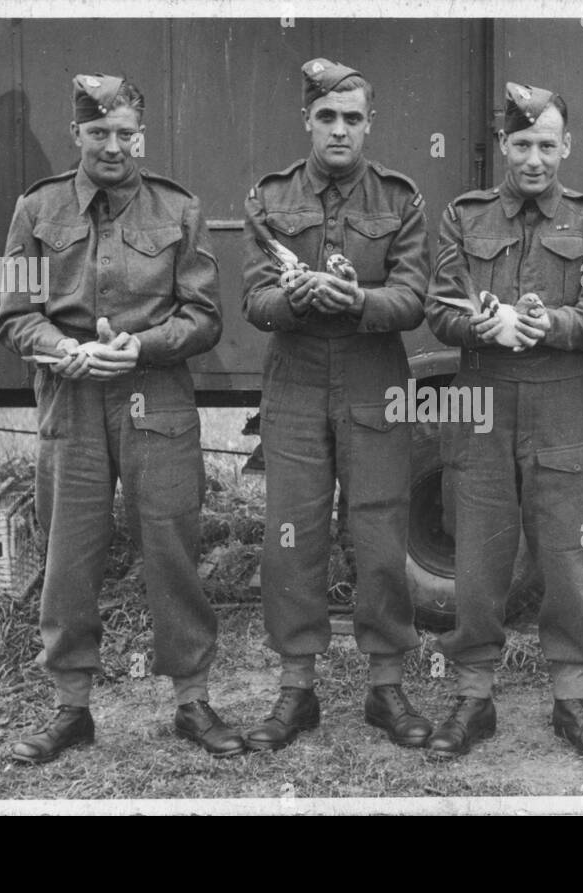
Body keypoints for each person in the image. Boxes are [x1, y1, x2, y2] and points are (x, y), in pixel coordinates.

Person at [0, 73, 232, 763]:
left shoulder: (177, 209)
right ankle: (71, 708)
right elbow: (14, 314)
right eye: (98, 133)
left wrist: (141, 346)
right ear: (76, 136)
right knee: (68, 556)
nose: (113, 146)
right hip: (70, 398)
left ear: (143, 136)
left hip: (154, 394)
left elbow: (205, 317)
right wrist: (61, 347)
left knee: (172, 549)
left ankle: (192, 700)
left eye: (126, 132)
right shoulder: (37, 209)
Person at [424, 82, 583, 760]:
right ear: (504, 147)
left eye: (547, 144)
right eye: (521, 144)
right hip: (481, 399)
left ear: (566, 146)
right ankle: (473, 698)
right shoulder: (464, 216)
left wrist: (553, 322)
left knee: (568, 557)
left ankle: (573, 698)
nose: (534, 158)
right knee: (479, 557)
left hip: (564, 400)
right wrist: (476, 323)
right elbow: (439, 307)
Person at [240, 58, 432, 751]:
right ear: (308, 121)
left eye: (353, 117)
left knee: (381, 535)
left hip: (374, 375)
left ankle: (386, 687)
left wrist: (357, 301)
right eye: (328, 116)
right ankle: (297, 689)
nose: (340, 129)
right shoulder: (268, 197)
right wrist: (295, 297)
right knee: (292, 537)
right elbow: (255, 300)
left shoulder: (401, 199)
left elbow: (414, 299)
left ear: (369, 122)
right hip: (293, 381)